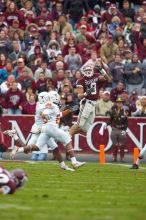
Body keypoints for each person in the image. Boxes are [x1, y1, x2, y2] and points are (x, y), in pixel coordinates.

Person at [70, 65, 109, 136]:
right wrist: (86, 93)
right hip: (86, 103)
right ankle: (67, 138)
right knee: (79, 124)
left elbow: (107, 78)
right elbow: (79, 96)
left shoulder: (96, 76)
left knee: (85, 128)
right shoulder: (81, 81)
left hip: (94, 104)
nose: (88, 72)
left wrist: (102, 70)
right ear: (83, 72)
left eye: (89, 71)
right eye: (86, 71)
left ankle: (67, 134)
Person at [103, 97, 129, 162]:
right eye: (118, 103)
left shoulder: (125, 111)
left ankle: (122, 158)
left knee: (122, 144)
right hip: (114, 129)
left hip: (121, 129)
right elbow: (110, 120)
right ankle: (114, 157)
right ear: (116, 103)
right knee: (114, 144)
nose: (119, 104)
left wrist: (124, 130)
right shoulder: (113, 111)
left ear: (122, 104)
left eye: (120, 103)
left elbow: (126, 122)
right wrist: (106, 124)